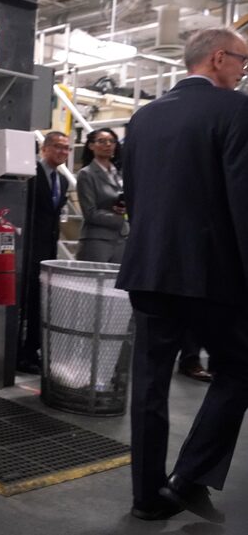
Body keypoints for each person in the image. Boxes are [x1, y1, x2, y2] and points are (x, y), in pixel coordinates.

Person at [117, 27, 248, 523]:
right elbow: (243, 202)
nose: (242, 71)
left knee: (149, 385)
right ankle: (188, 477)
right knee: (240, 369)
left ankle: (147, 499)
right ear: (218, 58)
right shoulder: (236, 110)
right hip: (213, 275)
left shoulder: (143, 117)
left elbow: (135, 196)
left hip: (148, 268)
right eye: (241, 62)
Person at [18, 131, 71, 375]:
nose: (63, 152)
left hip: (47, 250)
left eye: (67, 148)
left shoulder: (63, 181)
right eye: (58, 147)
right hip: (27, 248)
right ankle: (21, 353)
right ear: (45, 148)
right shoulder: (31, 175)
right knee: (26, 301)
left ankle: (32, 352)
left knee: (39, 302)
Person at [76, 128, 128, 263]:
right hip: (97, 240)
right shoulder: (86, 174)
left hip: (122, 239)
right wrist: (121, 218)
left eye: (112, 141)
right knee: (93, 283)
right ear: (91, 145)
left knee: (116, 283)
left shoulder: (120, 173)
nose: (108, 145)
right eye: (102, 141)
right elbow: (90, 213)